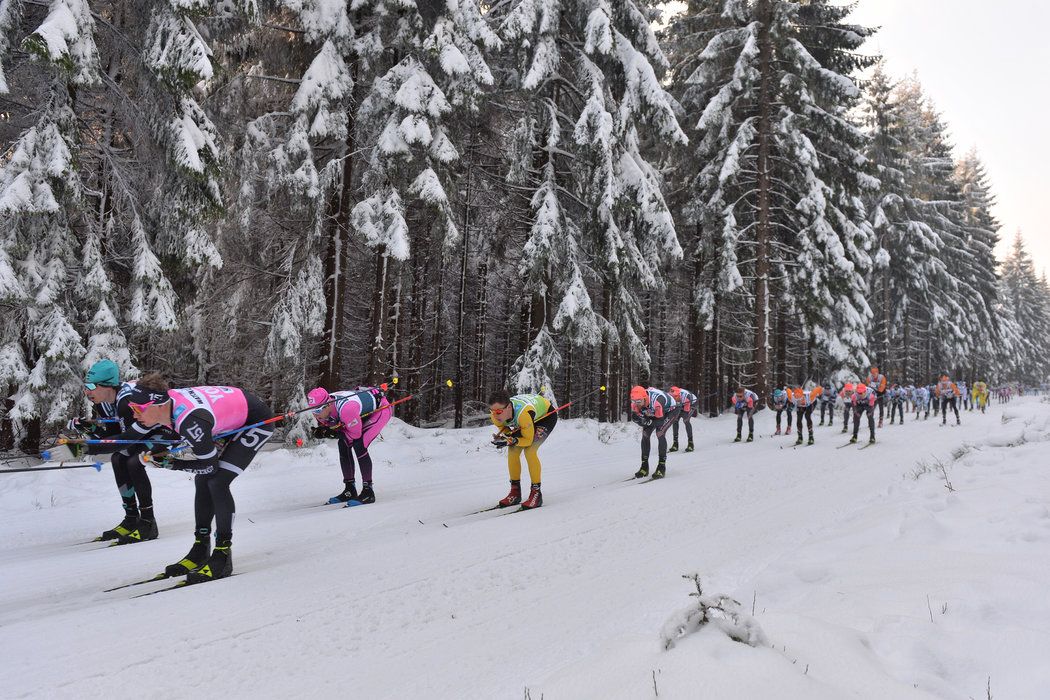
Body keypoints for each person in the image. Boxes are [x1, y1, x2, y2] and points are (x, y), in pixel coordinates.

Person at [130, 376, 274, 584]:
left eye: (138, 408)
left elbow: (209, 465)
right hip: (232, 415)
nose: (135, 414)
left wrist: (173, 464)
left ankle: (223, 554)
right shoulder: (168, 408)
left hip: (256, 421)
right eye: (133, 408)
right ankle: (201, 548)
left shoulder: (190, 420)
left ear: (157, 404)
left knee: (217, 481)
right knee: (202, 480)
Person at [70, 360, 164, 545]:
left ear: (107, 386)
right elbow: (111, 434)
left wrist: (87, 445)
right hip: (139, 434)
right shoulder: (102, 403)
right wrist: (88, 430)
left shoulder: (126, 401)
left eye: (90, 386)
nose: (86, 391)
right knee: (118, 459)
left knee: (132, 461)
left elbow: (126, 439)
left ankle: (148, 521)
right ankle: (131, 517)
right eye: (85, 386)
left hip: (163, 432)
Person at [308, 386, 392, 505]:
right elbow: (335, 424)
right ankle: (350, 490)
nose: (316, 415)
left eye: (317, 411)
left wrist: (332, 433)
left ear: (328, 405)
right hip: (358, 413)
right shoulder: (326, 409)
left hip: (380, 410)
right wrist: (325, 430)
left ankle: (368, 491)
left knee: (359, 444)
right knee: (343, 444)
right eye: (312, 411)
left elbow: (355, 434)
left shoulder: (346, 409)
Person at [489, 391, 557, 508]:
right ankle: (515, 492)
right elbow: (507, 432)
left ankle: (536, 493)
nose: (495, 415)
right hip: (527, 421)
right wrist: (506, 439)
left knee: (530, 451)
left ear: (509, 407)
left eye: (499, 412)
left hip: (546, 416)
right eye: (492, 411)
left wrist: (512, 440)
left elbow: (528, 440)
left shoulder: (523, 415)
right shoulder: (495, 416)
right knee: (513, 450)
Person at [629, 386, 678, 478]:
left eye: (639, 402)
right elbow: (639, 418)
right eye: (634, 401)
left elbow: (659, 422)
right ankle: (644, 467)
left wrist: (647, 421)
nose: (636, 404)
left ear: (644, 398)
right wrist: (640, 421)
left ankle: (661, 466)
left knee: (660, 433)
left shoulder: (657, 402)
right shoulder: (636, 402)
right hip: (652, 410)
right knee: (645, 435)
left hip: (670, 411)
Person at [667, 386, 698, 452]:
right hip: (680, 404)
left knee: (686, 420)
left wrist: (679, 407)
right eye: (672, 397)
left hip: (691, 403)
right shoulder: (670, 397)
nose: (673, 398)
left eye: (675, 397)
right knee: (675, 420)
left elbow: (685, 411)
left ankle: (690, 444)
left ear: (679, 395)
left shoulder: (686, 398)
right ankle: (675, 444)